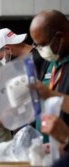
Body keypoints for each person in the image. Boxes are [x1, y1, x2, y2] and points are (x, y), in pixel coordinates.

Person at [30, 9, 69, 142]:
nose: (40, 49)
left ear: (60, 37)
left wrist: (49, 95)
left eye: (42, 44)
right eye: (36, 45)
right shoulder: (51, 61)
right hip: (49, 146)